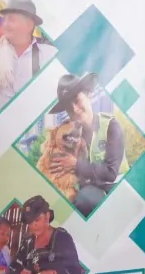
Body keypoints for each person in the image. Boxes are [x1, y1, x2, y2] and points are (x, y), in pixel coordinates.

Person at [47, 73, 128, 216]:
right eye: (69, 107)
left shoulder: (111, 126)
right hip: (88, 189)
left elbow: (110, 173)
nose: (76, 109)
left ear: (88, 96)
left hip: (115, 189)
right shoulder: (72, 136)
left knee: (84, 200)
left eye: (77, 101)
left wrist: (75, 164)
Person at [0, 0, 57, 116]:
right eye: (4, 19)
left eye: (11, 19)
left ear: (29, 25)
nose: (5, 24)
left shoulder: (48, 55)